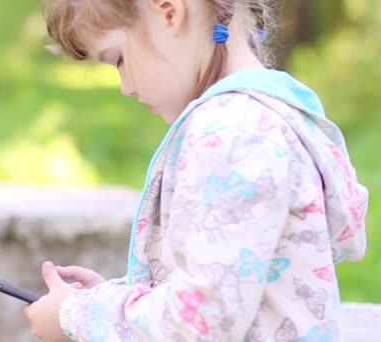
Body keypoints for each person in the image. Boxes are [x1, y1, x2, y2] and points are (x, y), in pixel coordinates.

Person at [23, 0, 368, 340]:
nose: (125, 86)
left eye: (119, 59)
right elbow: (234, 288)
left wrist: (81, 316)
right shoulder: (270, 114)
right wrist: (111, 301)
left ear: (169, 11)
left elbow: (202, 323)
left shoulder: (232, 135)